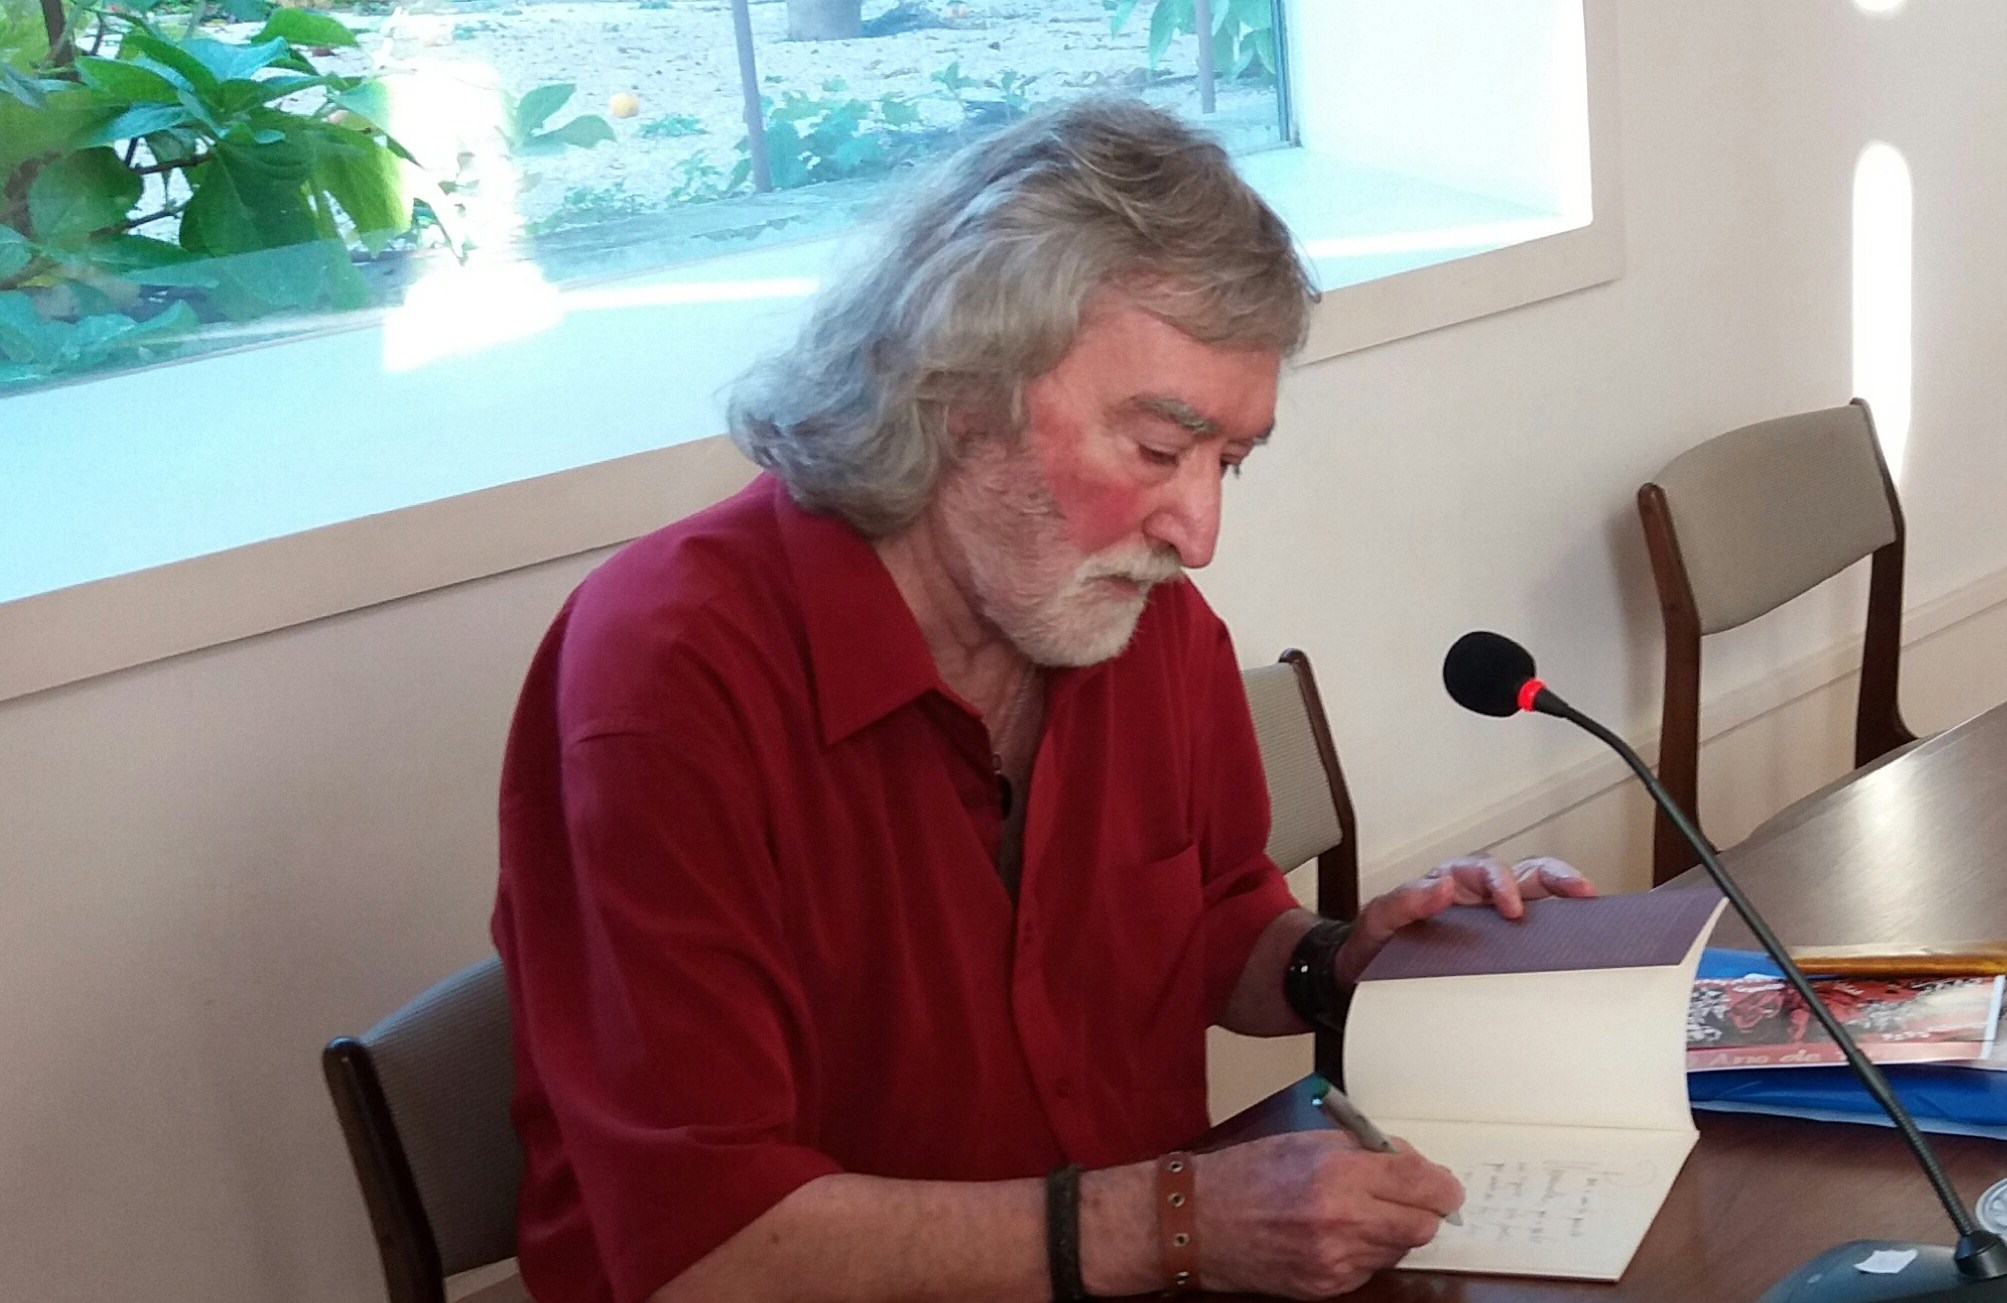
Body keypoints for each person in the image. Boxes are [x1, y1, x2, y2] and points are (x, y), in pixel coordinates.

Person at [491, 98, 1593, 1303]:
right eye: (1158, 450)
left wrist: (1344, 960)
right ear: (961, 390)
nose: (1201, 532)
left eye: (1229, 462)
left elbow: (1211, 928)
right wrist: (1174, 1223)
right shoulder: (669, 678)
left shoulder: (1143, 622)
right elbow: (711, 1250)